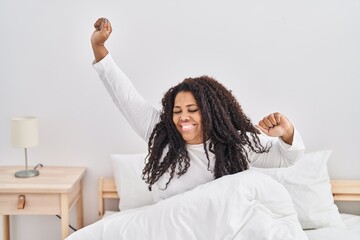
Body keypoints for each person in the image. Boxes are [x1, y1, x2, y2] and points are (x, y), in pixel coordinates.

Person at [91, 18, 305, 203]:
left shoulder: (235, 145)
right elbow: (123, 94)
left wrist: (287, 133)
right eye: (177, 111)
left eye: (193, 109)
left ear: (210, 112)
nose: (183, 117)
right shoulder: (161, 134)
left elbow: (287, 158)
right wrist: (98, 46)